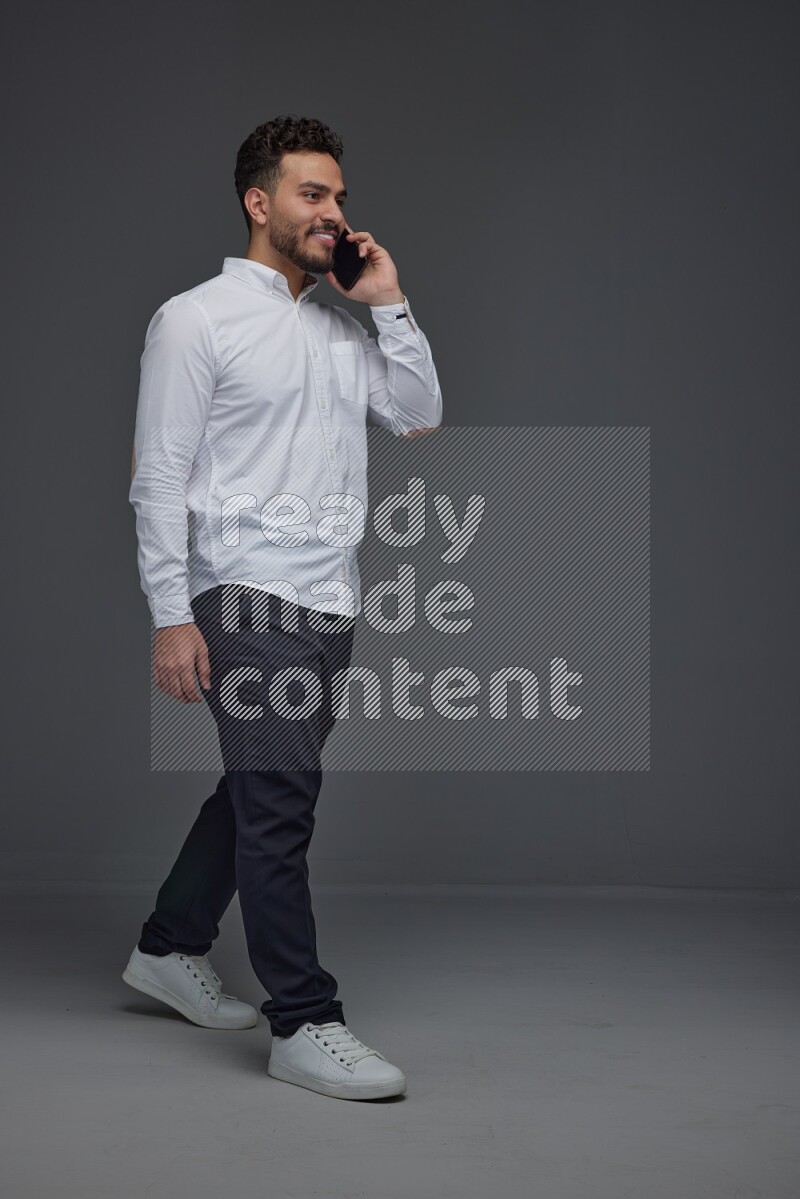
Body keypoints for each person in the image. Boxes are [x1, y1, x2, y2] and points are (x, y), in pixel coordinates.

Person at [122, 114, 443, 1101]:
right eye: (313, 194)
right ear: (259, 203)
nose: (334, 212)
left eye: (339, 197)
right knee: (281, 804)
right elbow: (157, 476)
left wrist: (387, 303)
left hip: (326, 597)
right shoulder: (196, 319)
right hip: (242, 590)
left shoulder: (343, 330)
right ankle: (303, 1018)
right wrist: (171, 612)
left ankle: (169, 946)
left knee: (257, 788)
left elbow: (419, 413)